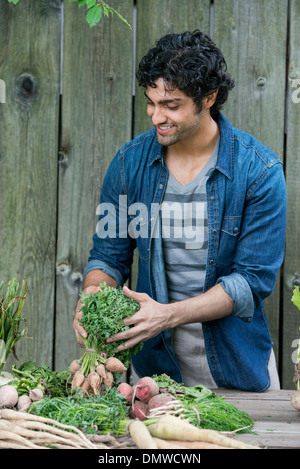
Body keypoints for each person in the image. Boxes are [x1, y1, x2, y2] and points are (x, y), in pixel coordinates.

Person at [73, 30, 286, 391]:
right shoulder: (128, 165)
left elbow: (250, 282)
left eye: (171, 105)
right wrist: (92, 296)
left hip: (238, 369)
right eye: (151, 102)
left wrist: (167, 315)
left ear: (209, 97)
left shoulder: (258, 171)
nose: (157, 116)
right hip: (155, 373)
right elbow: (108, 257)